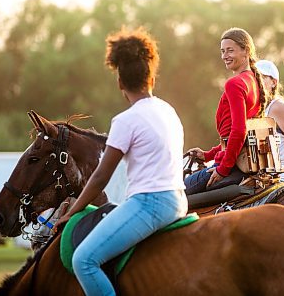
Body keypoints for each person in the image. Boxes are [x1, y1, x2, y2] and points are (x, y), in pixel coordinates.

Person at [53, 27, 188, 296]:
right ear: (151, 79)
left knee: (84, 261)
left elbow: (101, 177)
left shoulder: (126, 120)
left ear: (120, 83)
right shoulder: (167, 110)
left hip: (150, 204)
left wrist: (69, 213)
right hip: (179, 199)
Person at [184, 27, 267, 195]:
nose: (224, 56)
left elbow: (239, 131)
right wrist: (208, 155)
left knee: (176, 193)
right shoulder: (254, 81)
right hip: (244, 163)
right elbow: (232, 137)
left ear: (246, 51)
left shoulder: (234, 83)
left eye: (230, 50)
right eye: (222, 51)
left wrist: (222, 169)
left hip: (232, 166)